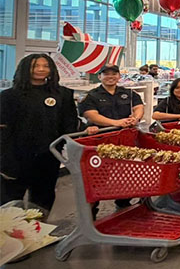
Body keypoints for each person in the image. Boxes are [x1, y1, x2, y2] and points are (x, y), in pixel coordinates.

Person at [0, 54, 96, 215]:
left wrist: (85, 130)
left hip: (48, 156)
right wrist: (5, 159)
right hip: (15, 158)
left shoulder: (63, 94)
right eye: (35, 66)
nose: (41, 69)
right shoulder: (9, 95)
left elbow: (69, 124)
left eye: (45, 66)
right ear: (25, 68)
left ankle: (38, 228)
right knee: (10, 201)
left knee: (43, 199)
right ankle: (12, 229)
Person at [80, 63, 145, 209]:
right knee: (98, 176)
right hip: (101, 142)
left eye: (114, 73)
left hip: (125, 141)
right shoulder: (91, 96)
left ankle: (123, 203)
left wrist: (135, 118)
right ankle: (92, 210)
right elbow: (91, 115)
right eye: (106, 74)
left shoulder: (129, 93)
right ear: (99, 77)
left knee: (126, 174)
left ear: (119, 76)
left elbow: (139, 107)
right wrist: (116, 123)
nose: (110, 76)